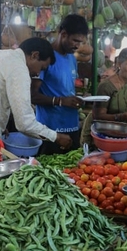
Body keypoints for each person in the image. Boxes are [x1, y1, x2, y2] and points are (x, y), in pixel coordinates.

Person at [0, 37, 72, 150]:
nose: (37, 73)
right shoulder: (19, 69)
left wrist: (0, 124)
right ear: (34, 55)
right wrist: (56, 137)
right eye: (41, 67)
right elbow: (24, 124)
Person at [31, 14, 88, 155]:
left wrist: (79, 98)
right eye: (75, 41)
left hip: (72, 126)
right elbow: (32, 96)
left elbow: (65, 90)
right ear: (63, 34)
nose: (77, 46)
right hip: (51, 131)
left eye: (81, 42)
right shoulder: (46, 57)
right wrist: (60, 101)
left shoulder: (71, 58)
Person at [93, 48, 127, 127]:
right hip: (107, 134)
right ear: (119, 64)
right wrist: (120, 117)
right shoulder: (106, 86)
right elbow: (97, 116)